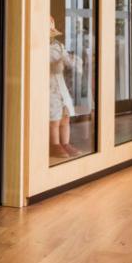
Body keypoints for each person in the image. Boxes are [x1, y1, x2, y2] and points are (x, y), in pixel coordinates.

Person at [49, 16, 84, 158]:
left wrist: (72, 60)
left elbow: (70, 63)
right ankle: (55, 145)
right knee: (54, 119)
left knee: (65, 116)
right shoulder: (44, 50)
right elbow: (48, 58)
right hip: (48, 87)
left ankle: (65, 143)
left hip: (60, 86)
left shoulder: (58, 46)